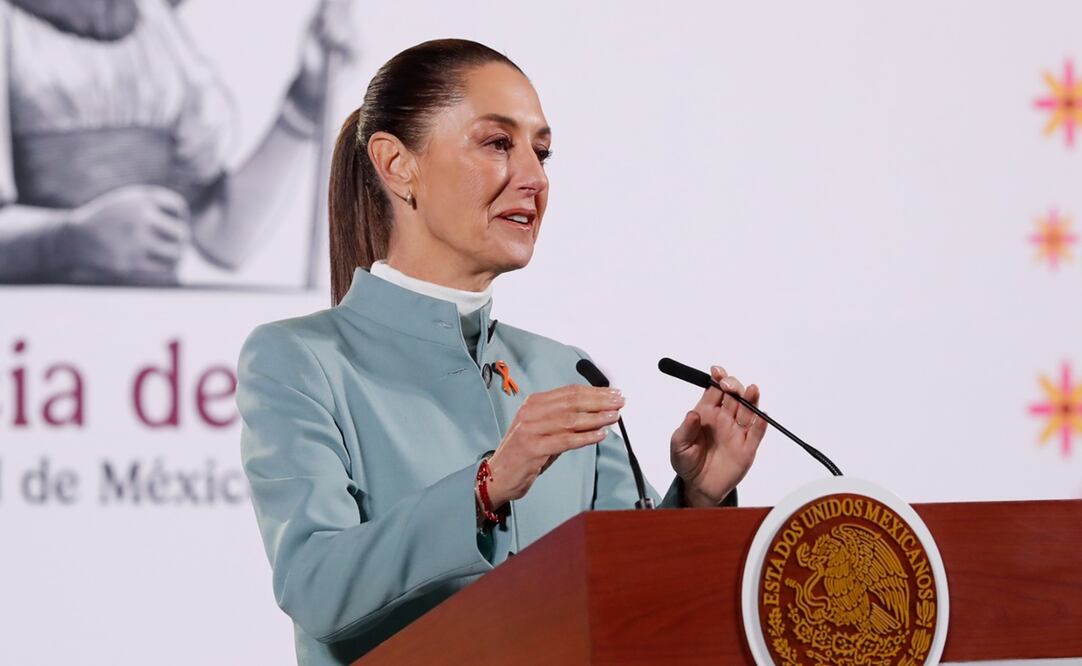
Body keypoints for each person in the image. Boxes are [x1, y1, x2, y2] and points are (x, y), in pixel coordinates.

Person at [237, 39, 767, 666]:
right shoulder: (300, 360)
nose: (535, 178)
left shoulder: (565, 369)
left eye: (541, 152)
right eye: (497, 144)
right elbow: (316, 587)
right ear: (397, 165)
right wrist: (486, 487)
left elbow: (640, 597)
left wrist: (699, 497)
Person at [0, 0, 353, 285]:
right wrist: (68, 240)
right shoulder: (10, 25)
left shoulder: (156, 29)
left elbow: (223, 237)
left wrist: (306, 99)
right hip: (40, 340)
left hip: (155, 339)